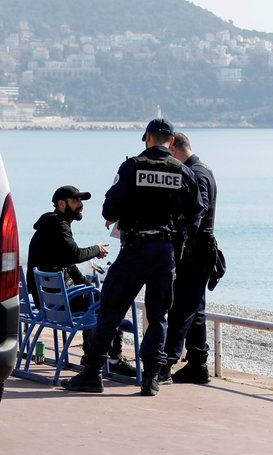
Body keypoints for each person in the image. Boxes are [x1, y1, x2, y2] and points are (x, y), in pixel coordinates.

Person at [62, 118, 204, 396]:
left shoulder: (131, 167)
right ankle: (151, 378)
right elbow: (196, 214)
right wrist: (178, 239)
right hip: (165, 251)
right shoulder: (184, 173)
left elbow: (109, 210)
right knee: (159, 313)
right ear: (171, 142)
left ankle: (92, 373)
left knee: (111, 308)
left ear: (147, 137)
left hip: (135, 249)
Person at [26, 186, 136, 377]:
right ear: (61, 204)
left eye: (81, 201)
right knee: (110, 303)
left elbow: (67, 262)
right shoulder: (59, 226)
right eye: (75, 201)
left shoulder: (52, 225)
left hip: (49, 300)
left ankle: (91, 355)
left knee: (94, 297)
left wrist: (87, 285)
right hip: (57, 303)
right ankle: (112, 358)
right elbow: (74, 255)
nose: (80, 205)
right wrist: (96, 249)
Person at [160, 132, 218, 385]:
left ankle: (167, 362)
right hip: (200, 250)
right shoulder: (203, 169)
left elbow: (200, 208)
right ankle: (198, 363)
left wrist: (177, 223)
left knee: (181, 307)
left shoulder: (195, 173)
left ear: (174, 147)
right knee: (195, 310)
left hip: (194, 251)